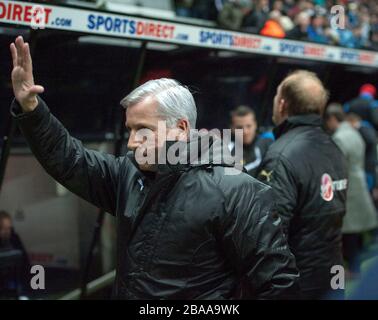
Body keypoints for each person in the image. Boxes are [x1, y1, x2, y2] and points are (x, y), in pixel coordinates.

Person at [9, 36, 299, 299]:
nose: (133, 143)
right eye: (130, 130)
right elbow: (69, 160)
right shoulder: (129, 174)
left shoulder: (239, 191)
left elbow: (278, 285)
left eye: (143, 130)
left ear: (181, 128)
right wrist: (33, 108)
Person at [257, 70, 348, 299]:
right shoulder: (334, 147)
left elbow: (269, 233)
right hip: (334, 274)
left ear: (282, 105)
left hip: (299, 284)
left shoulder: (281, 155)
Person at [324, 104, 378, 278]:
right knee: (357, 231)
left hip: (348, 188)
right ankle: (358, 266)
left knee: (348, 233)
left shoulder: (339, 137)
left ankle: (353, 269)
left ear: (333, 119)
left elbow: (336, 166)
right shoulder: (354, 132)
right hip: (359, 182)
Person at [229, 105, 272, 177]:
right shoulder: (226, 151)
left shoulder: (268, 145)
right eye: (239, 127)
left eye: (248, 126)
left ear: (255, 125)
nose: (245, 132)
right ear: (232, 128)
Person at [0, 210, 30, 297]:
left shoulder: (15, 238)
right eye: (2, 228)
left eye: (8, 228)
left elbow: (25, 262)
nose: (6, 231)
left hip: (16, 281)